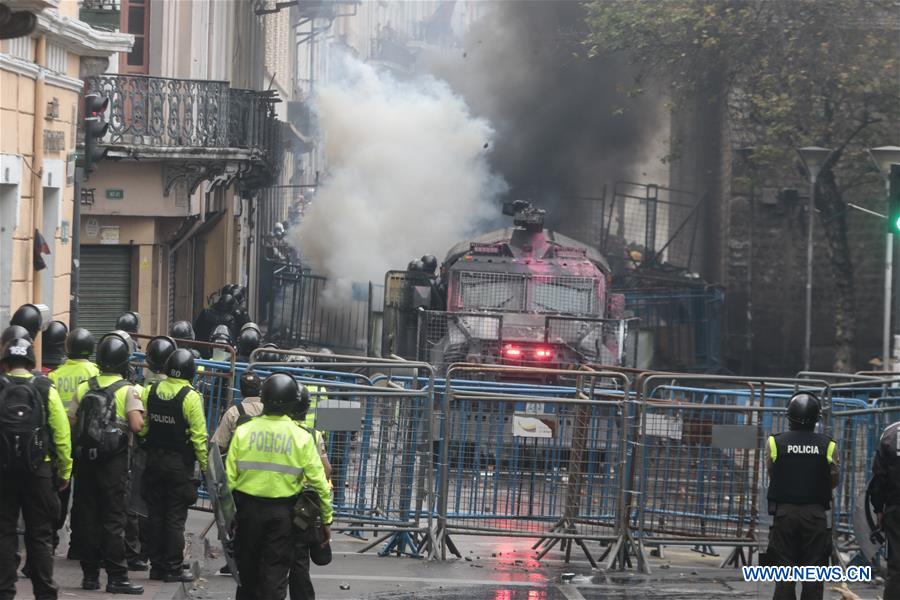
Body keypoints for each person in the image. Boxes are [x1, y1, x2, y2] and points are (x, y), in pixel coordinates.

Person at [226, 373, 333, 600]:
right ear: (293, 403)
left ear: (263, 398)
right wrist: (326, 520)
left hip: (247, 513)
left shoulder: (244, 431)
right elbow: (320, 483)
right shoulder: (302, 437)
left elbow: (229, 479)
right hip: (282, 517)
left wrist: (228, 517)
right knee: (274, 575)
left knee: (247, 575)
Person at [68, 332, 145, 594]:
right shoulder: (128, 390)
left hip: (85, 462)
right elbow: (136, 425)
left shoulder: (84, 386)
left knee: (88, 518)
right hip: (114, 465)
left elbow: (71, 422)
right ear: (124, 361)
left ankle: (90, 577)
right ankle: (117, 577)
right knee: (113, 520)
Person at [0, 337, 72, 600]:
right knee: (40, 533)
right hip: (39, 470)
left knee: (4, 532)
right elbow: (62, 434)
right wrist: (65, 471)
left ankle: (5, 591)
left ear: (5, 362)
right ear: (31, 362)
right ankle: (44, 592)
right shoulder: (44, 387)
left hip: (4, 471)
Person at [140, 348, 208, 582]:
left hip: (154, 463)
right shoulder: (191, 397)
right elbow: (199, 438)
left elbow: (145, 427)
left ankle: (156, 566)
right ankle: (172, 567)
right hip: (179, 466)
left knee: (156, 515)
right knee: (175, 519)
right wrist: (206, 468)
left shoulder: (151, 390)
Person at [765, 392, 838, 600]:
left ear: (789, 416)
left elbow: (772, 472)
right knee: (814, 572)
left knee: (784, 571)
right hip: (815, 514)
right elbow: (834, 478)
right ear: (817, 417)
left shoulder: (775, 442)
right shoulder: (828, 445)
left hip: (784, 513)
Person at [47, 327, 99, 551]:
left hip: (60, 439)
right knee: (85, 493)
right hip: (87, 440)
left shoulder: (54, 375)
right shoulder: (95, 373)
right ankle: (78, 543)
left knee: (60, 489)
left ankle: (51, 536)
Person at [288, 384, 332, 600]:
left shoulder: (270, 429)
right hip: (303, 508)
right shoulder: (312, 435)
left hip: (270, 503)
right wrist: (326, 518)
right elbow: (326, 471)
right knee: (299, 563)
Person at [869, 419, 900, 599]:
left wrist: (878, 508)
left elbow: (879, 477)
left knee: (896, 568)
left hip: (896, 508)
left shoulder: (890, 433)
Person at [210, 371, 264, 452]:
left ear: (241, 391)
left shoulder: (233, 412)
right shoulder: (269, 411)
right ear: (260, 390)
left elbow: (219, 445)